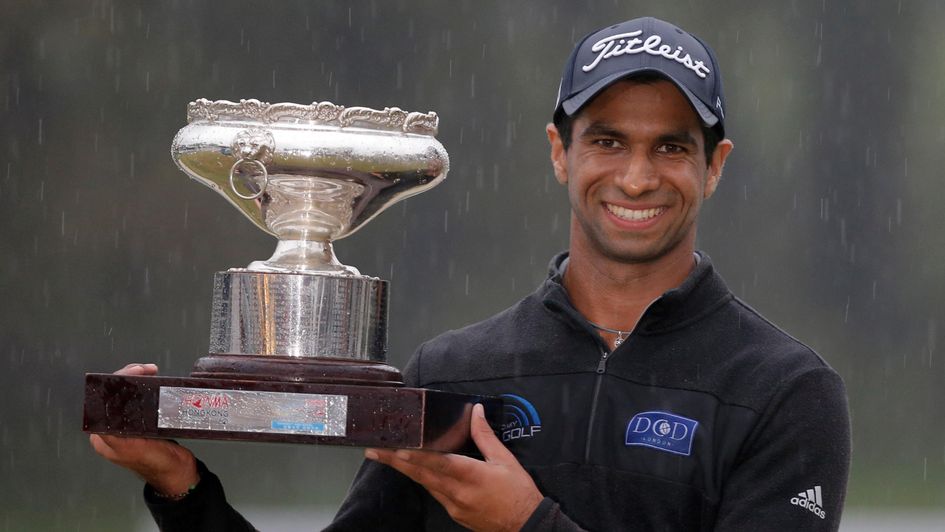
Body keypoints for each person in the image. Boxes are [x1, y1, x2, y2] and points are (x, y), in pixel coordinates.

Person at [91, 16, 851, 531]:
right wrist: (181, 489)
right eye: (608, 141)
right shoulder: (458, 372)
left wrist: (527, 525)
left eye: (671, 148)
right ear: (560, 151)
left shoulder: (783, 391)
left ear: (713, 166)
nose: (636, 176)